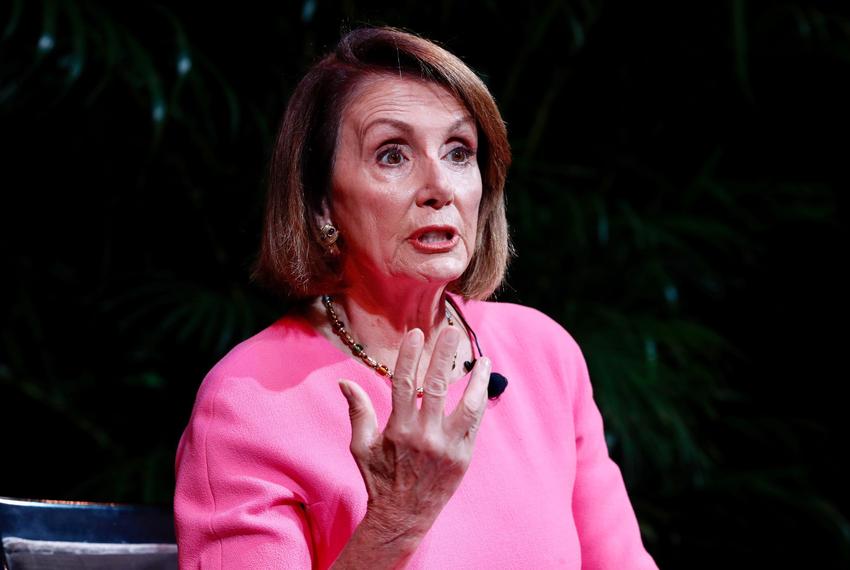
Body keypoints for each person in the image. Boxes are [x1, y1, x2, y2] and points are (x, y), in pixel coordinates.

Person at [174, 26, 658, 569]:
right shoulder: (248, 401)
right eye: (392, 155)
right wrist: (396, 521)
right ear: (320, 205)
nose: (439, 187)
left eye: (458, 151)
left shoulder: (544, 354)